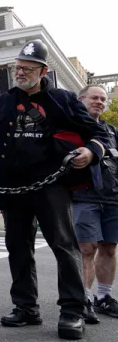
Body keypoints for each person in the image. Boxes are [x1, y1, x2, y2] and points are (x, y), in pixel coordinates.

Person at [0, 39, 108, 340]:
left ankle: (73, 311)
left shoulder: (62, 100)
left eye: (27, 68)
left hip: (51, 186)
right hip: (12, 187)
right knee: (17, 247)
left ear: (43, 70)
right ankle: (26, 307)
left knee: (64, 247)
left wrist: (90, 152)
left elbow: (98, 132)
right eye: (17, 67)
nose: (20, 72)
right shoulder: (1, 102)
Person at [72, 84, 118, 323]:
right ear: (81, 100)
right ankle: (84, 299)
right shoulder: (72, 128)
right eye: (94, 98)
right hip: (83, 197)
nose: (99, 102)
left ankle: (104, 297)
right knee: (87, 249)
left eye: (102, 99)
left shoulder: (112, 132)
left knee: (109, 248)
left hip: (112, 197)